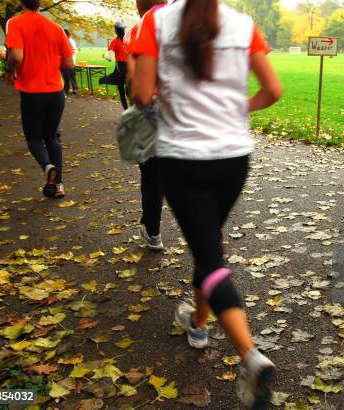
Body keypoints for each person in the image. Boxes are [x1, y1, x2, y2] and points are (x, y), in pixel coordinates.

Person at [131, 0, 282, 407]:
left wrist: (164, 99)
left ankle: (249, 356)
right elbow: (273, 91)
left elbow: (141, 91)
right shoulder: (242, 23)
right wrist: (239, 108)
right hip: (234, 158)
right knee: (207, 244)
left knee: (211, 257)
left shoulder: (156, 22)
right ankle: (198, 323)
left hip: (183, 159)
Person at [5, 0, 73, 199]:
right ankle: (58, 184)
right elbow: (68, 63)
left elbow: (16, 56)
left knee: (34, 139)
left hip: (32, 93)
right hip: (56, 92)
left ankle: (47, 166)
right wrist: (49, 62)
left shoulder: (15, 23)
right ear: (40, 3)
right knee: (52, 137)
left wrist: (10, 70)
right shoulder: (56, 28)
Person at [124, 0, 167, 251]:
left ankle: (152, 231)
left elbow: (134, 76)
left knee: (151, 171)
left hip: (153, 106)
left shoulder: (142, 26)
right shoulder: (188, 19)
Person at [100, 22, 128, 109]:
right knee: (131, 91)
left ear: (116, 31)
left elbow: (110, 59)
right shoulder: (129, 40)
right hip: (131, 67)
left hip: (120, 68)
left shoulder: (114, 42)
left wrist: (104, 56)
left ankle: (126, 111)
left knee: (122, 92)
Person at [61, 29, 78, 95]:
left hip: (70, 62)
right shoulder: (65, 41)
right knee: (66, 77)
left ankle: (75, 89)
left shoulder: (70, 41)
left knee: (71, 76)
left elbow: (73, 50)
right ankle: (66, 89)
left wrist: (67, 55)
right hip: (64, 62)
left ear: (67, 35)